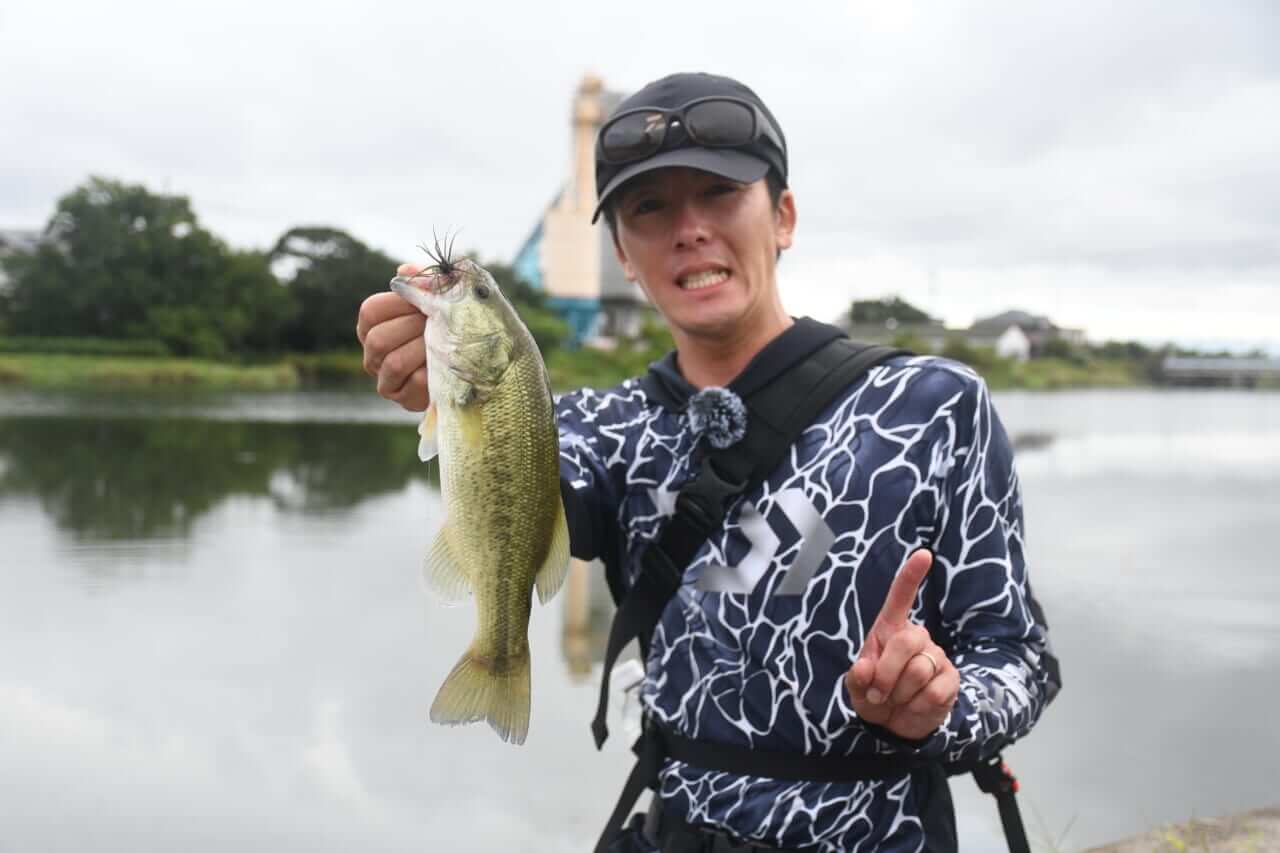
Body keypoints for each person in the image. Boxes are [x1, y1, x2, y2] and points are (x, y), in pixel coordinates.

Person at [357, 71, 1060, 853]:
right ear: (622, 252)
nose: (689, 228)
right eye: (649, 208)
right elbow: (517, 483)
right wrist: (437, 377)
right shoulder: (601, 426)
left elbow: (1017, 655)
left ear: (784, 216)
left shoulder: (932, 405)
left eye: (720, 194)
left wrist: (942, 703)